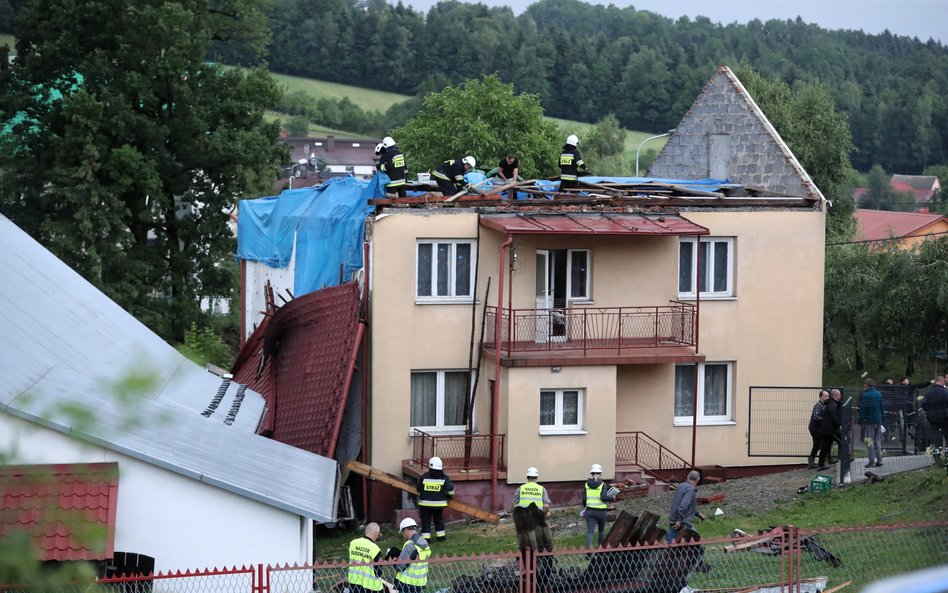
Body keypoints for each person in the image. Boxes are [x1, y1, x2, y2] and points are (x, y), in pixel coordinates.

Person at [416, 456, 454, 541]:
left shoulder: (424, 476)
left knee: (426, 522)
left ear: (430, 466)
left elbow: (418, 488)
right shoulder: (444, 477)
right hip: (438, 505)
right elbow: (450, 488)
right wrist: (449, 496)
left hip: (425, 505)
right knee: (439, 520)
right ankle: (441, 537)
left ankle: (426, 539)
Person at [582, 463, 616, 548]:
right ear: (600, 474)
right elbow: (604, 498)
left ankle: (588, 554)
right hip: (601, 512)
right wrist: (612, 498)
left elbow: (584, 499)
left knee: (590, 532)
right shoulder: (602, 484)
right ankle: (600, 552)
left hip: (589, 511)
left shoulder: (586, 484)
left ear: (592, 473)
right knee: (601, 531)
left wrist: (585, 508)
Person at [393, 518, 431, 593]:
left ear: (406, 530)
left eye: (403, 532)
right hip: (419, 583)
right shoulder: (424, 543)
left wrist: (393, 560)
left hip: (407, 585)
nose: (403, 534)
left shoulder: (410, 545)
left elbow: (400, 566)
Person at [667, 470, 703, 543]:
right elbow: (684, 505)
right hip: (682, 523)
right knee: (696, 545)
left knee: (671, 544)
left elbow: (683, 504)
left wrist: (698, 514)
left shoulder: (681, 486)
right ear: (698, 479)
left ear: (687, 476)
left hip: (674, 519)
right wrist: (679, 520)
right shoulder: (690, 489)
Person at [348, 522, 383, 593]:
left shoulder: (353, 543)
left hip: (353, 584)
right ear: (375, 532)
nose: (377, 536)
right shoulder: (375, 549)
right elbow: (378, 572)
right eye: (378, 534)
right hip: (370, 586)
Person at [859, 378, 884, 467]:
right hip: (879, 419)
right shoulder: (879, 394)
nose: (864, 386)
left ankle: (871, 461)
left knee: (869, 441)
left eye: (864, 384)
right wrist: (882, 418)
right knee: (877, 440)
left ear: (867, 385)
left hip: (869, 421)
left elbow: (863, 409)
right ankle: (879, 460)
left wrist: (861, 420)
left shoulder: (866, 395)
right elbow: (882, 407)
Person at [922, 375, 948, 453]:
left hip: (931, 417)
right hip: (944, 417)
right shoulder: (945, 392)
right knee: (946, 434)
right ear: (942, 382)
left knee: (934, 434)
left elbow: (924, 405)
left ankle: (935, 450)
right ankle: (945, 451)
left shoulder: (929, 393)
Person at [807, 390, 830, 469]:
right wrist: (825, 419)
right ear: (820, 397)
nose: (827, 397)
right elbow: (816, 416)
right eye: (825, 396)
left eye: (828, 396)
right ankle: (812, 462)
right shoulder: (818, 405)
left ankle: (814, 462)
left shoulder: (825, 405)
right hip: (814, 428)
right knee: (817, 444)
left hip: (819, 428)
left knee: (822, 444)